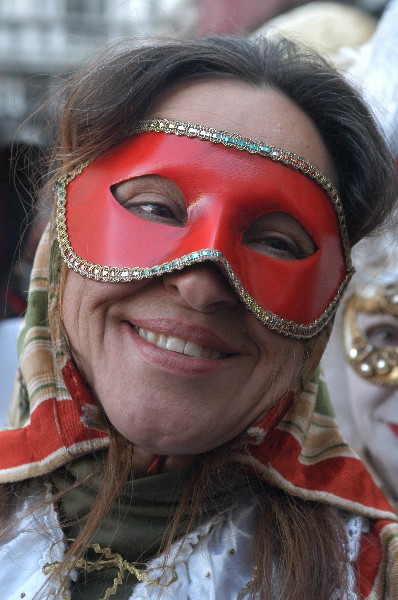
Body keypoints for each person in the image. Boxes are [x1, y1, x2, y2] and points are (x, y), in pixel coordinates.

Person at [0, 34, 397, 600]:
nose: (199, 286)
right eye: (155, 209)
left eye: (278, 243)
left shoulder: (370, 577)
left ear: (330, 301)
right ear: (60, 242)